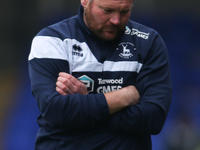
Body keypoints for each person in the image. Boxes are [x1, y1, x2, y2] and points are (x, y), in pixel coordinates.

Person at [28, 0, 172, 149]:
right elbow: (56, 112)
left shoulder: (149, 42)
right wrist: (122, 97)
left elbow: (154, 119)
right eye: (107, 10)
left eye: (124, 12)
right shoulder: (52, 40)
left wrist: (85, 103)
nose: (116, 20)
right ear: (85, 1)